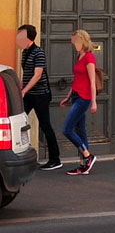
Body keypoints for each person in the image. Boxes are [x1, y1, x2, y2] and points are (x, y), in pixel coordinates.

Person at [16, 25, 60, 170]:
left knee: (45, 125)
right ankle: (21, 154)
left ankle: (55, 159)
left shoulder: (38, 52)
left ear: (27, 37)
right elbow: (27, 74)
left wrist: (24, 90)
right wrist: (21, 88)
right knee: (19, 122)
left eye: (19, 35)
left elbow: (37, 75)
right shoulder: (25, 52)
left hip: (41, 95)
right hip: (28, 94)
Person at [60, 29, 99, 175]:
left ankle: (88, 156)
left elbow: (92, 82)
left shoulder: (89, 58)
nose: (74, 43)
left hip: (84, 98)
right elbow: (77, 80)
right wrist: (68, 96)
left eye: (75, 41)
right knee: (80, 131)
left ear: (82, 40)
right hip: (76, 96)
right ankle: (84, 165)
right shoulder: (80, 56)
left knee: (67, 130)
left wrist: (94, 102)